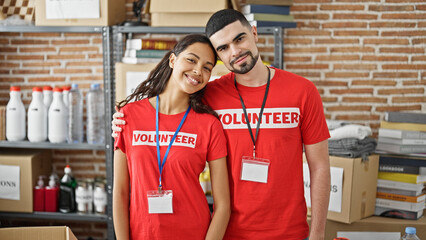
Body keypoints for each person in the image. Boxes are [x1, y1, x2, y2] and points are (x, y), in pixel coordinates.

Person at [113, 9, 330, 240]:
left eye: (239, 39)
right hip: (229, 233)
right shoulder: (209, 95)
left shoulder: (303, 92)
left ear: (254, 33)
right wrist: (122, 121)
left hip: (289, 232)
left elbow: (320, 167)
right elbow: (168, 107)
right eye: (223, 48)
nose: (235, 52)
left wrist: (317, 235)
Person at [113, 34, 230, 240]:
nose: (197, 71)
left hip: (193, 231)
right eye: (191, 60)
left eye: (206, 67)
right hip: (143, 233)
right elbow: (120, 192)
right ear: (173, 60)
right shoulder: (128, 116)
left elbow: (223, 206)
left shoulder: (209, 125)